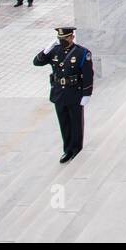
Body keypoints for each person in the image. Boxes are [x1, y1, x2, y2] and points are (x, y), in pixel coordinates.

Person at [32, 26, 94, 163]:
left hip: (74, 92)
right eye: (60, 39)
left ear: (72, 37)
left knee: (76, 123)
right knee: (64, 123)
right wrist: (45, 51)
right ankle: (67, 150)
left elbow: (88, 75)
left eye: (65, 38)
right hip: (58, 93)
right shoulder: (55, 51)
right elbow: (36, 63)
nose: (62, 41)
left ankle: (76, 149)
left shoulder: (82, 53)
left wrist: (87, 93)